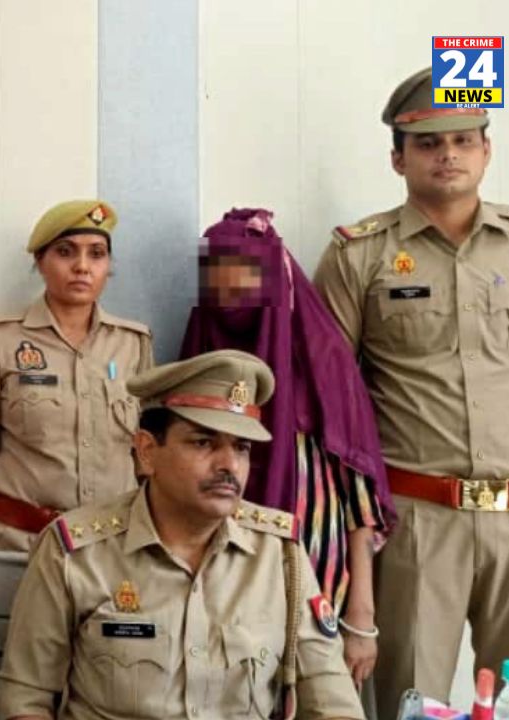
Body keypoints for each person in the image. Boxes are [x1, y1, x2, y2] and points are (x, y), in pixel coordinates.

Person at [314, 67, 509, 718]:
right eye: (429, 143)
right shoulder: (359, 255)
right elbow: (333, 412)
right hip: (418, 520)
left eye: (465, 140)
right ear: (398, 158)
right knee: (412, 701)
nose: (449, 154)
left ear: (487, 150)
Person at [0, 350, 364, 720]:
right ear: (147, 451)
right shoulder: (75, 553)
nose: (229, 465)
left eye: (241, 447)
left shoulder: (279, 556)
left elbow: (333, 704)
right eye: (203, 443)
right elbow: (24, 701)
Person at [180, 207, 397, 686]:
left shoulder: (323, 364)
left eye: (246, 270)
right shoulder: (199, 353)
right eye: (217, 270)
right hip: (215, 590)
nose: (231, 286)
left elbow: (359, 504)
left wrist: (361, 618)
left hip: (314, 583)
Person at [0, 199, 153, 633]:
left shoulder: (133, 345)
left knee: (108, 671)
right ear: (40, 262)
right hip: (19, 549)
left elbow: (148, 463)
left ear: (109, 266)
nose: (82, 266)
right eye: (65, 252)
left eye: (97, 254)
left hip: (111, 554)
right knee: (9, 670)